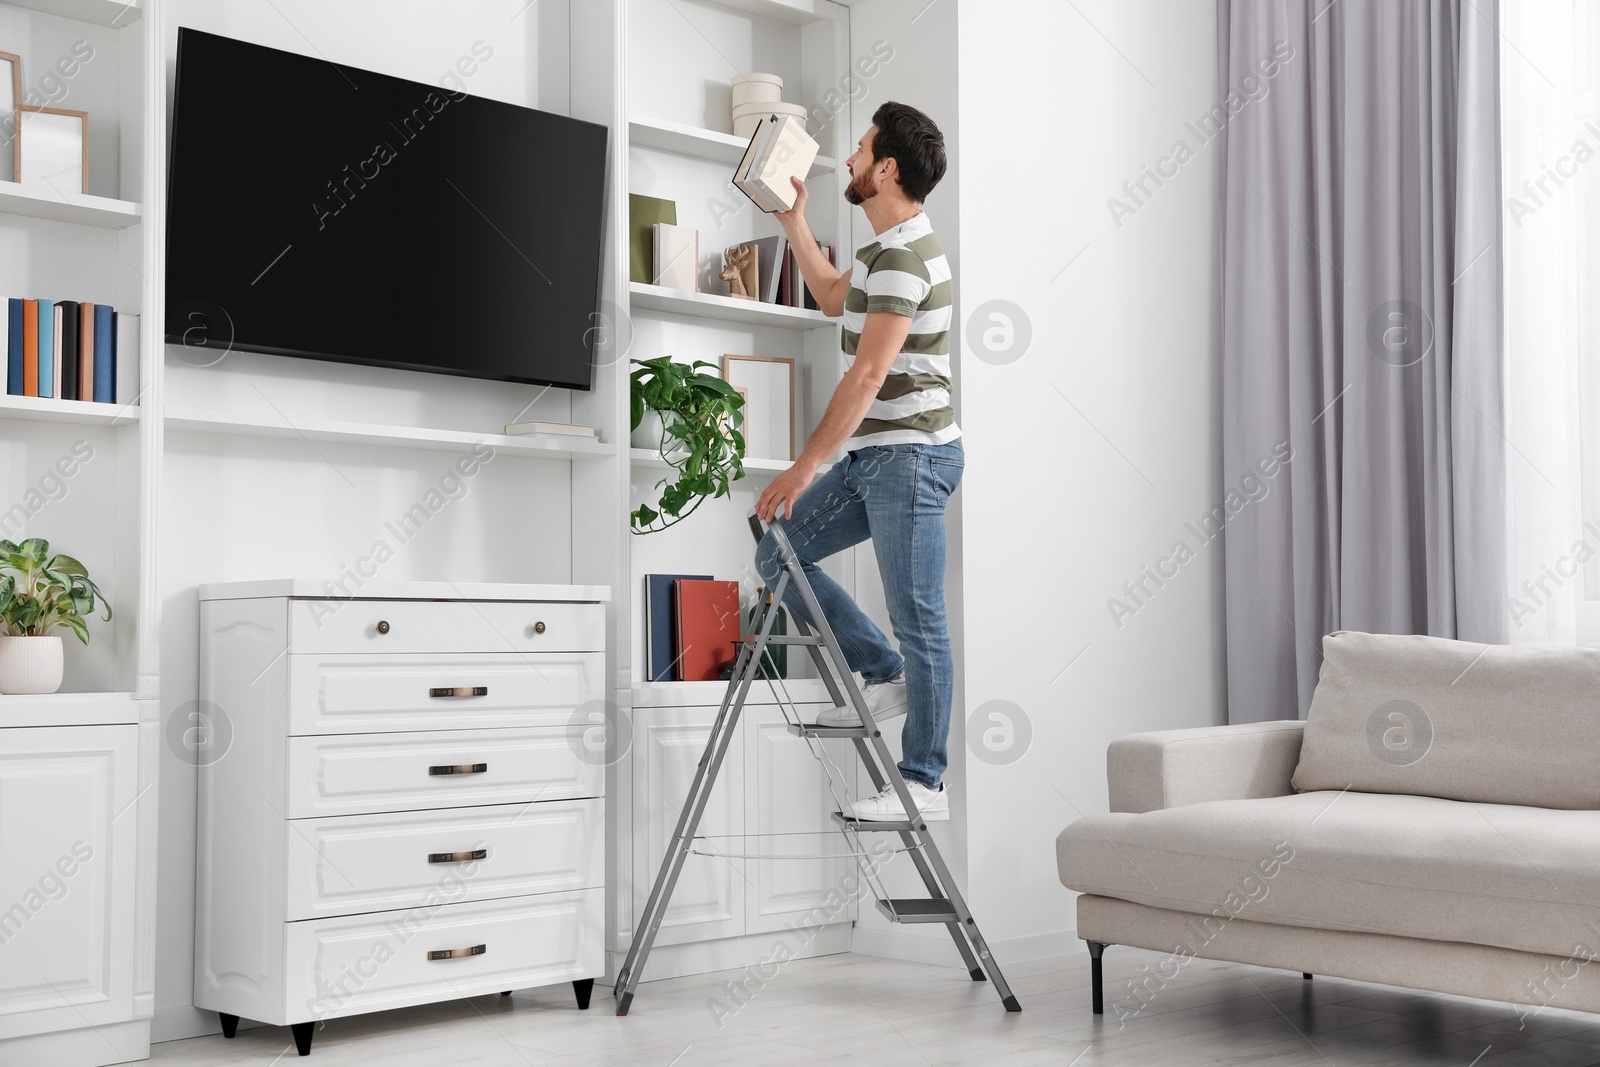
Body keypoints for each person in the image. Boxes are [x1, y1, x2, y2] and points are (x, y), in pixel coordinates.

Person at [754, 101, 959, 823]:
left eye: (860, 148)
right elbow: (831, 292)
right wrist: (794, 221)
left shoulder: (903, 257)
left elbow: (867, 377)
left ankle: (925, 782)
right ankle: (882, 669)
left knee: (920, 616)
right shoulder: (883, 245)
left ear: (887, 167)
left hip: (911, 457)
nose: (848, 159)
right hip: (877, 456)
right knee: (777, 546)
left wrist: (804, 466)